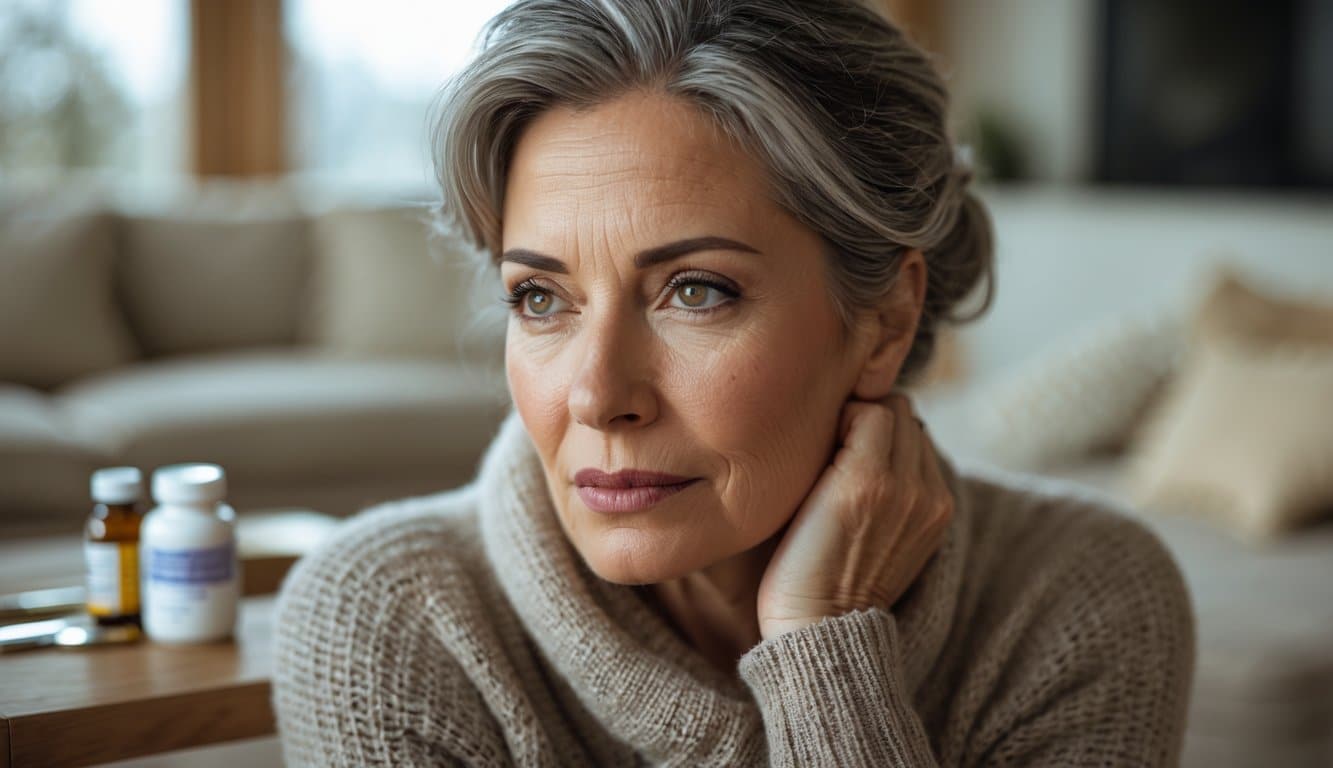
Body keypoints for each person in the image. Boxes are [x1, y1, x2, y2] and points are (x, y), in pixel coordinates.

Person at [271, 1, 1195, 765]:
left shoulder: (1077, 597)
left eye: (694, 290)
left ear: (884, 320)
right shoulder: (390, 615)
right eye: (540, 297)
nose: (596, 395)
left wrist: (821, 647)